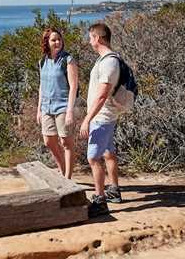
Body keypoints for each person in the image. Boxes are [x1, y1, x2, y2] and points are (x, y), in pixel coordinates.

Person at [79, 22, 123, 217]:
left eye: (90, 37)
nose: (89, 41)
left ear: (98, 38)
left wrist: (88, 119)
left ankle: (100, 200)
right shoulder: (107, 59)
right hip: (105, 116)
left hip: (102, 117)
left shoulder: (108, 62)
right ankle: (114, 190)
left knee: (93, 158)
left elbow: (102, 95)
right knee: (107, 153)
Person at [37, 27, 79, 178]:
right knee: (49, 141)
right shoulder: (42, 61)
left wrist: (69, 110)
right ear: (47, 42)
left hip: (63, 105)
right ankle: (62, 170)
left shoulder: (68, 60)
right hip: (46, 107)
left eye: (59, 39)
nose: (57, 42)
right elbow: (41, 86)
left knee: (66, 142)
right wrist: (39, 109)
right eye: (53, 40)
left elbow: (73, 86)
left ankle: (67, 178)